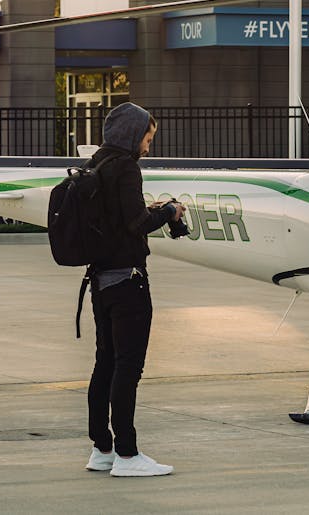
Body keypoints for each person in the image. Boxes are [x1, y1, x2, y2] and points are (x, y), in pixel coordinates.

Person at [82, 102, 186, 478]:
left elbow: (117, 218)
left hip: (100, 280)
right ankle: (127, 454)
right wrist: (168, 212)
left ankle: (102, 449)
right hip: (127, 281)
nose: (148, 146)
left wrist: (150, 210)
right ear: (133, 134)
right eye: (147, 137)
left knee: (105, 363)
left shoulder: (97, 163)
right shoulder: (125, 167)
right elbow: (136, 223)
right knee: (128, 366)